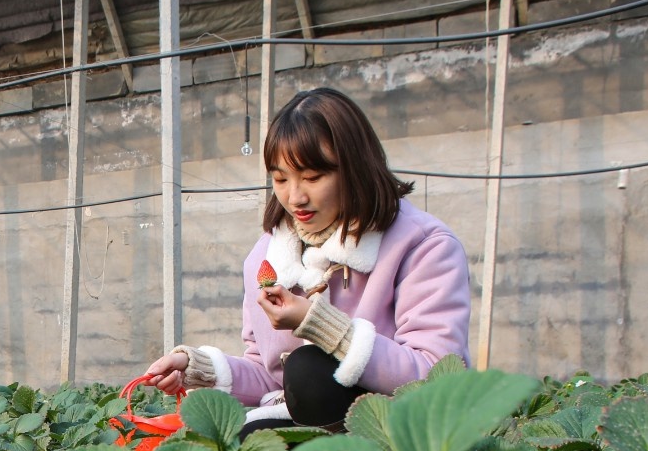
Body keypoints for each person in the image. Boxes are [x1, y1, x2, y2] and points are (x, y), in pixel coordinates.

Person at [144, 87, 471, 433]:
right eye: (281, 178)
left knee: (308, 372)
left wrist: (323, 326)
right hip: (304, 424)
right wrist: (198, 368)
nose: (295, 197)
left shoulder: (422, 246)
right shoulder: (265, 259)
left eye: (313, 178)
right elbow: (270, 377)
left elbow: (437, 375)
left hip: (397, 431)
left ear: (355, 168)